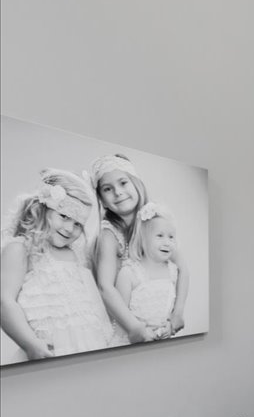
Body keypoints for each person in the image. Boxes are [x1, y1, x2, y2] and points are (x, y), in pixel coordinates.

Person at [0, 169, 113, 360]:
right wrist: (31, 345)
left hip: (87, 347)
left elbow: (93, 306)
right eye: (64, 216)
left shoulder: (77, 255)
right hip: (47, 352)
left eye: (78, 224)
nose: (70, 229)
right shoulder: (21, 249)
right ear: (43, 209)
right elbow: (5, 301)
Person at [90, 154, 189, 343]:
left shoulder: (156, 221)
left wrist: (178, 313)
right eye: (107, 189)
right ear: (101, 198)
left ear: (137, 183)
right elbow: (105, 287)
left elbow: (183, 269)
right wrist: (134, 327)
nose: (118, 192)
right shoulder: (108, 235)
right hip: (127, 325)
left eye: (123, 183)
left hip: (159, 323)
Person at [115, 204, 181, 339]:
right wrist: (141, 333)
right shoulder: (129, 273)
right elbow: (120, 317)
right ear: (143, 239)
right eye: (160, 235)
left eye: (171, 236)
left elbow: (170, 310)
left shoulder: (172, 271)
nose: (167, 242)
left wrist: (169, 326)